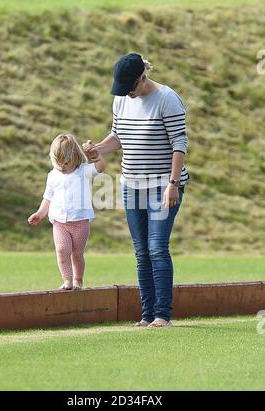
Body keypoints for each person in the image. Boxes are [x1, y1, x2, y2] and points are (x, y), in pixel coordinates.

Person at [83, 53, 190, 328]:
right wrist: (96, 149)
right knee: (141, 251)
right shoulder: (121, 99)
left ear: (142, 78)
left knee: (157, 248)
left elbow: (179, 143)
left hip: (162, 186)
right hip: (132, 185)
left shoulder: (167, 99)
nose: (127, 95)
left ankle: (163, 315)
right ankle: (146, 315)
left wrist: (172, 184)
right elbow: (117, 137)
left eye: (130, 88)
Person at [28, 133, 106, 290]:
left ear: (75, 157)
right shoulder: (52, 176)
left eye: (66, 162)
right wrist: (39, 214)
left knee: (77, 254)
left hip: (80, 222)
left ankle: (78, 280)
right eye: (58, 163)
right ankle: (67, 280)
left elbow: (100, 168)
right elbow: (48, 198)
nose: (62, 166)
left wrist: (97, 156)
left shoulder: (82, 171)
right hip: (59, 222)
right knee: (62, 250)